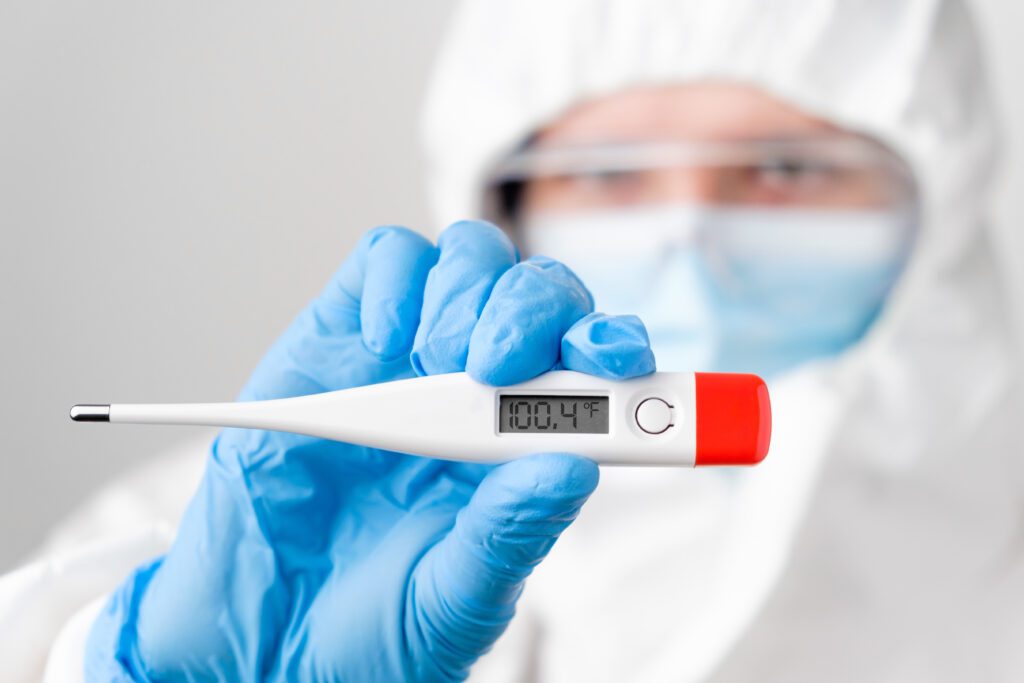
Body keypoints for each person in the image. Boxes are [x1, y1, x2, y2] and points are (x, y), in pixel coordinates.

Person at [3, 0, 1022, 680]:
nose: (689, 237)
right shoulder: (236, 527)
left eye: (785, 172)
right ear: (499, 197)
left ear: (942, 190)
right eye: (610, 176)